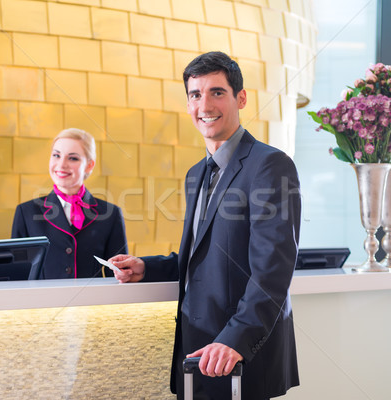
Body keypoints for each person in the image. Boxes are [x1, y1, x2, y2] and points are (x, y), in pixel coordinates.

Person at [110, 52, 301, 400]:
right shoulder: (196, 174)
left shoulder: (270, 165)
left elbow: (273, 269)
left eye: (216, 92)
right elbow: (205, 255)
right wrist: (146, 268)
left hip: (239, 354)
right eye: (195, 95)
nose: (205, 104)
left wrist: (235, 339)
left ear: (240, 98)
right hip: (196, 350)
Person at [12, 128, 127, 279]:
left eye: (72, 158)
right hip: (43, 302)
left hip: (92, 302)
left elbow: (119, 274)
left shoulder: (110, 214)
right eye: (56, 155)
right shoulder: (26, 212)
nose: (61, 164)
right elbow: (17, 274)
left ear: (89, 165)